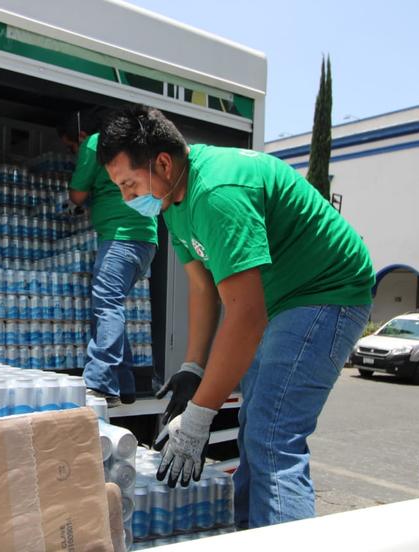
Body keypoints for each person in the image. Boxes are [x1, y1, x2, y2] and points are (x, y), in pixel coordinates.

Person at [97, 105, 374, 528]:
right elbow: (202, 286)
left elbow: (246, 317)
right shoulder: (174, 200)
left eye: (129, 184)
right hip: (281, 299)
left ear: (163, 163)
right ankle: (249, 535)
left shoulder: (216, 192)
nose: (126, 197)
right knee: (253, 425)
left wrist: (198, 419)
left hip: (326, 293)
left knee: (274, 437)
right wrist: (193, 366)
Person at [60, 109, 158, 408]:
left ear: (79, 136)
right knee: (113, 306)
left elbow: (76, 194)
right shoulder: (130, 146)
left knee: (106, 306)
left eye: (70, 147)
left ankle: (100, 382)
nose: (75, 153)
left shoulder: (94, 144)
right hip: (145, 242)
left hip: (120, 238)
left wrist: (77, 202)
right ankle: (124, 385)